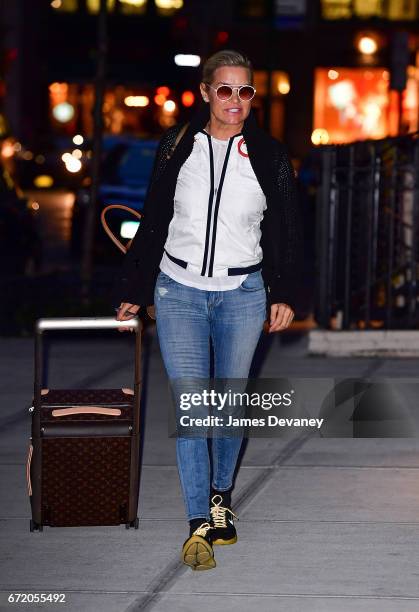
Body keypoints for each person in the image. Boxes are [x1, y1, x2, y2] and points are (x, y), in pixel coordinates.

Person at [115, 49, 303, 571]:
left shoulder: (270, 155)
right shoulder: (177, 145)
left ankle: (221, 494)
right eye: (226, 90)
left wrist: (285, 293)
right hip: (178, 291)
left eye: (245, 91)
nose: (236, 101)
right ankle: (199, 519)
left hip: (243, 294)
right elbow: (154, 216)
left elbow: (288, 229)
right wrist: (136, 285)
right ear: (205, 92)